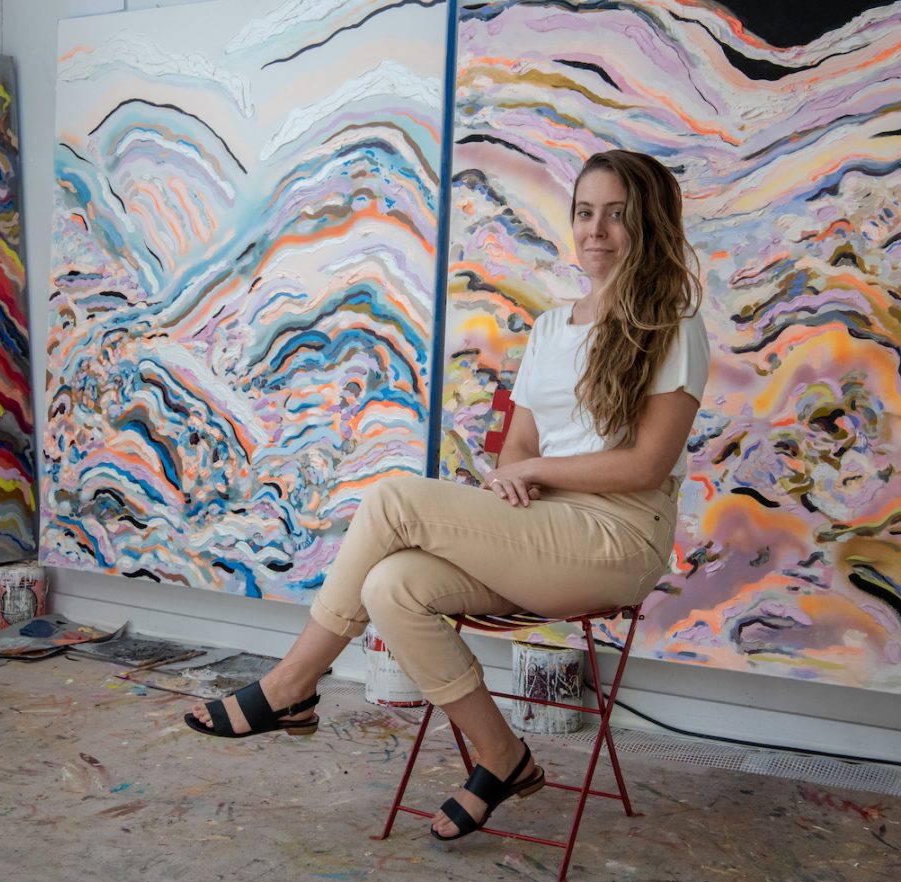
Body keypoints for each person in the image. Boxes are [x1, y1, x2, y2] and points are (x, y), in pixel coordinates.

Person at [185, 149, 710, 842]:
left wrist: (536, 473)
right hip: (545, 530)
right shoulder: (551, 330)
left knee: (394, 502)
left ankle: (291, 684)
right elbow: (520, 448)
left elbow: (646, 465)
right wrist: (516, 478)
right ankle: (502, 755)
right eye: (585, 212)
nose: (596, 230)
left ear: (650, 224)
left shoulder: (674, 326)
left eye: (618, 214)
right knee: (392, 586)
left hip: (616, 538)